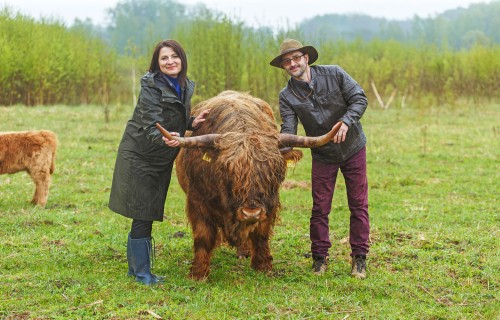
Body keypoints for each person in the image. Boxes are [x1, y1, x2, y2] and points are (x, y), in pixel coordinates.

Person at [109, 39, 209, 285]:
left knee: (146, 211)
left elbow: (173, 116)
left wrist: (191, 123)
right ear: (157, 63)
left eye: (174, 56)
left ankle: (138, 270)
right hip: (141, 154)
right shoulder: (151, 87)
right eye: (164, 58)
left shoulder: (183, 85)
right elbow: (150, 122)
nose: (170, 61)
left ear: (182, 60)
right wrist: (165, 139)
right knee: (142, 212)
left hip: (159, 155)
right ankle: (142, 273)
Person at [270, 39, 370, 278]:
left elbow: (360, 98)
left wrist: (346, 121)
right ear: (283, 66)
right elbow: (290, 129)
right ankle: (319, 258)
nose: (292, 64)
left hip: (354, 147)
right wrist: (276, 147)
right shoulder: (287, 96)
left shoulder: (334, 73)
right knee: (320, 207)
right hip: (323, 154)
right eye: (287, 61)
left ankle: (359, 258)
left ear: (306, 57)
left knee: (358, 203)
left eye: (296, 58)